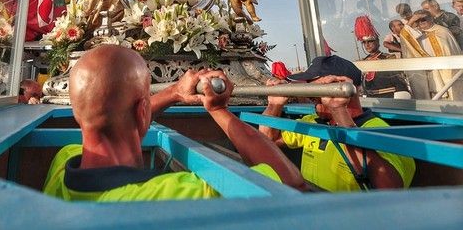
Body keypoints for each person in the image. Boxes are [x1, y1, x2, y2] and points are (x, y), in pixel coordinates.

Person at [43, 45, 304, 201]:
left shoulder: (62, 162)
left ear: (78, 114)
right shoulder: (167, 196)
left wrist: (174, 92)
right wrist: (218, 110)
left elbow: (115, 117)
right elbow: (288, 182)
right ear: (141, 109)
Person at [259, 55, 415, 192]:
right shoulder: (314, 122)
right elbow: (267, 141)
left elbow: (391, 190)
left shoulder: (378, 130)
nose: (311, 96)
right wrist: (274, 105)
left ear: (344, 87)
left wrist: (339, 112)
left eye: (317, 89)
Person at [404, 10, 462, 99]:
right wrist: (411, 21)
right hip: (431, 75)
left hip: (446, 73)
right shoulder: (417, 35)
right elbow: (405, 36)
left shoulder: (442, 31)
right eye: (418, 20)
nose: (421, 22)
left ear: (431, 19)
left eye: (423, 19)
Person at [354, 16, 411, 98]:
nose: (367, 45)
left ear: (377, 42)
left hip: (389, 98)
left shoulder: (388, 58)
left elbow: (399, 83)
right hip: (372, 100)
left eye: (370, 41)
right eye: (364, 42)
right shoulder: (363, 62)